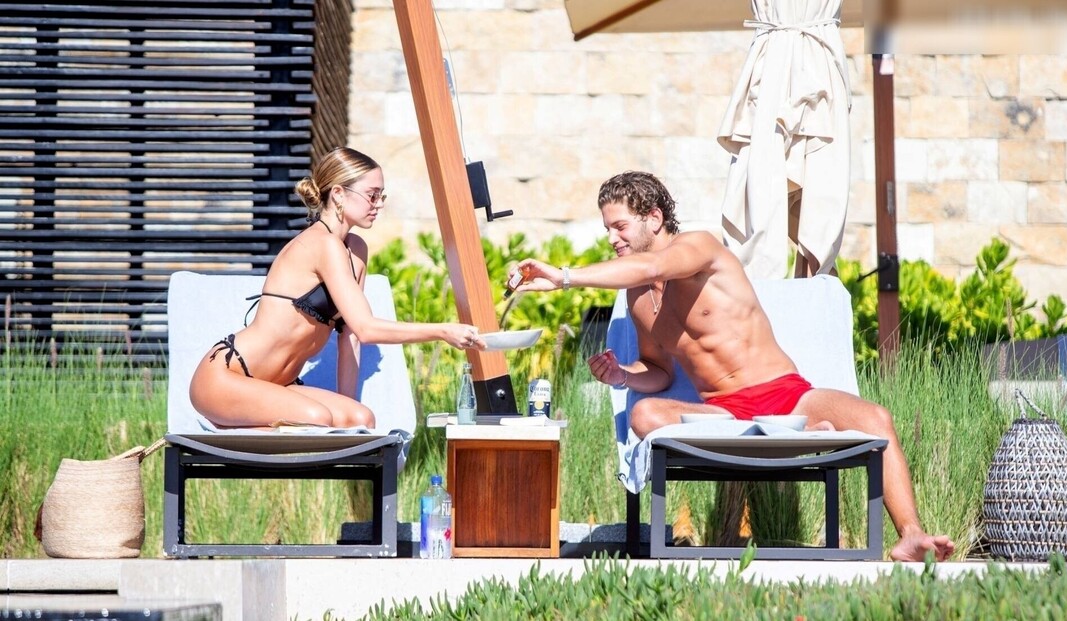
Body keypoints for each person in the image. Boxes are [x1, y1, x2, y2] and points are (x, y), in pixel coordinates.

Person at [513, 171, 955, 562]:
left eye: (620, 226)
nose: (612, 238)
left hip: (786, 394)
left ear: (654, 218)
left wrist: (563, 277)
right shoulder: (638, 297)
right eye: (608, 229)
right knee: (644, 413)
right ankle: (795, 433)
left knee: (876, 418)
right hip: (721, 412)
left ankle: (910, 535)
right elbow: (659, 370)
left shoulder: (698, 247)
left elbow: (651, 264)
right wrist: (623, 375)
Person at [189, 147, 485, 429]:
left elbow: (352, 335)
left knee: (361, 419)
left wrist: (348, 415)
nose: (379, 204)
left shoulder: (356, 250)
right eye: (372, 195)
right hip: (226, 378)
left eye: (382, 195)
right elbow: (367, 328)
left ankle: (246, 427)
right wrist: (443, 331)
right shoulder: (322, 243)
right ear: (339, 194)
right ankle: (220, 430)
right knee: (317, 419)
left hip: (275, 387)